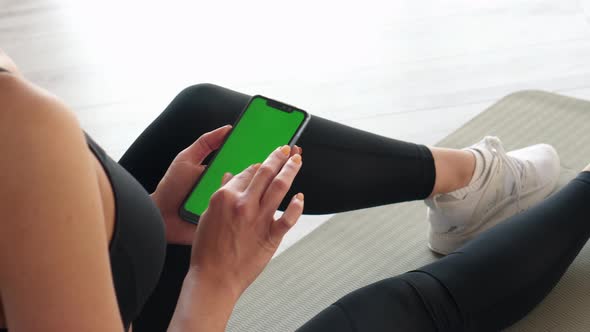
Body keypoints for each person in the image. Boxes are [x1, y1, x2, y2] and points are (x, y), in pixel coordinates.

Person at [0, 49, 587, 332]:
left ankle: (468, 181)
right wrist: (214, 283)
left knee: (204, 119)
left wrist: (144, 221)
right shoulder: (22, 132)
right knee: (417, 310)